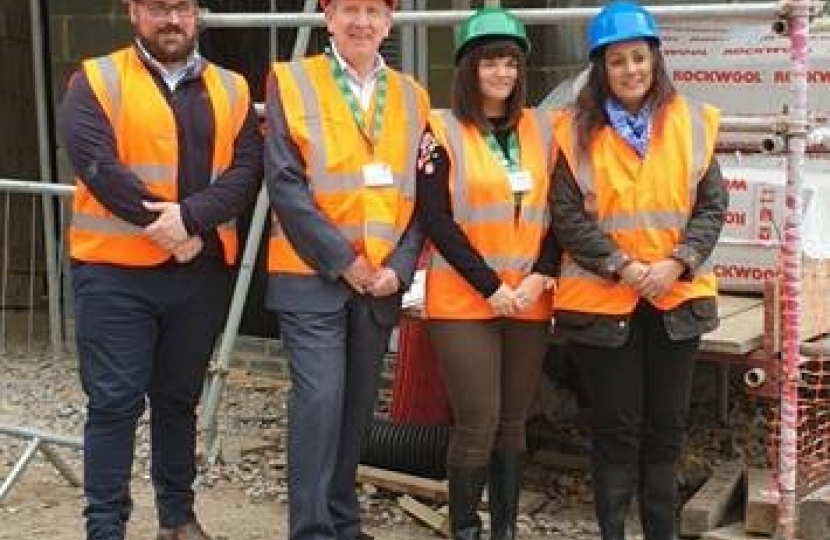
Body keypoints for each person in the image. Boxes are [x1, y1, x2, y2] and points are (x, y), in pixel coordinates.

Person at [59, 0, 262, 538]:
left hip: (198, 276)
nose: (171, 20)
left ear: (196, 14)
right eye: (157, 8)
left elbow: (247, 171)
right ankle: (106, 527)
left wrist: (191, 220)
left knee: (178, 401)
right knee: (114, 403)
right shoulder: (96, 80)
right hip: (114, 274)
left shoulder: (234, 87)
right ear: (133, 12)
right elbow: (98, 166)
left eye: (182, 8)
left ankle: (177, 520)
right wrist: (173, 234)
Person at [549, 2, 728, 539]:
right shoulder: (573, 131)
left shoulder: (693, 123)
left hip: (675, 300)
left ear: (655, 60)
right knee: (616, 430)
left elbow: (711, 206)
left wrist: (678, 262)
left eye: (638, 58)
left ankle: (660, 532)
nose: (630, 70)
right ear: (599, 68)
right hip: (604, 304)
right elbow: (565, 216)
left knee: (667, 430)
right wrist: (622, 266)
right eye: (618, 61)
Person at [262, 1, 429, 539]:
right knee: (319, 402)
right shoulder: (291, 80)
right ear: (327, 17)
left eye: (373, 11)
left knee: (357, 409)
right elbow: (285, 185)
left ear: (389, 21)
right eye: (349, 9)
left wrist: (399, 270)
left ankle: (342, 519)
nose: (361, 22)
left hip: (380, 285)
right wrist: (347, 264)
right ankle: (310, 530)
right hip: (311, 279)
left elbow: (423, 195)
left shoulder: (413, 95)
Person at [416, 7, 560, 540]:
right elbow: (435, 218)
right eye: (490, 62)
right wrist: (491, 287)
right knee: (478, 418)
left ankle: (504, 528)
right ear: (468, 69)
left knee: (513, 423)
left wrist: (539, 275)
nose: (502, 73)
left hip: (527, 298)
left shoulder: (544, 127)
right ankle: (465, 527)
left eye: (511, 63)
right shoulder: (441, 129)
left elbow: (563, 213)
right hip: (465, 302)